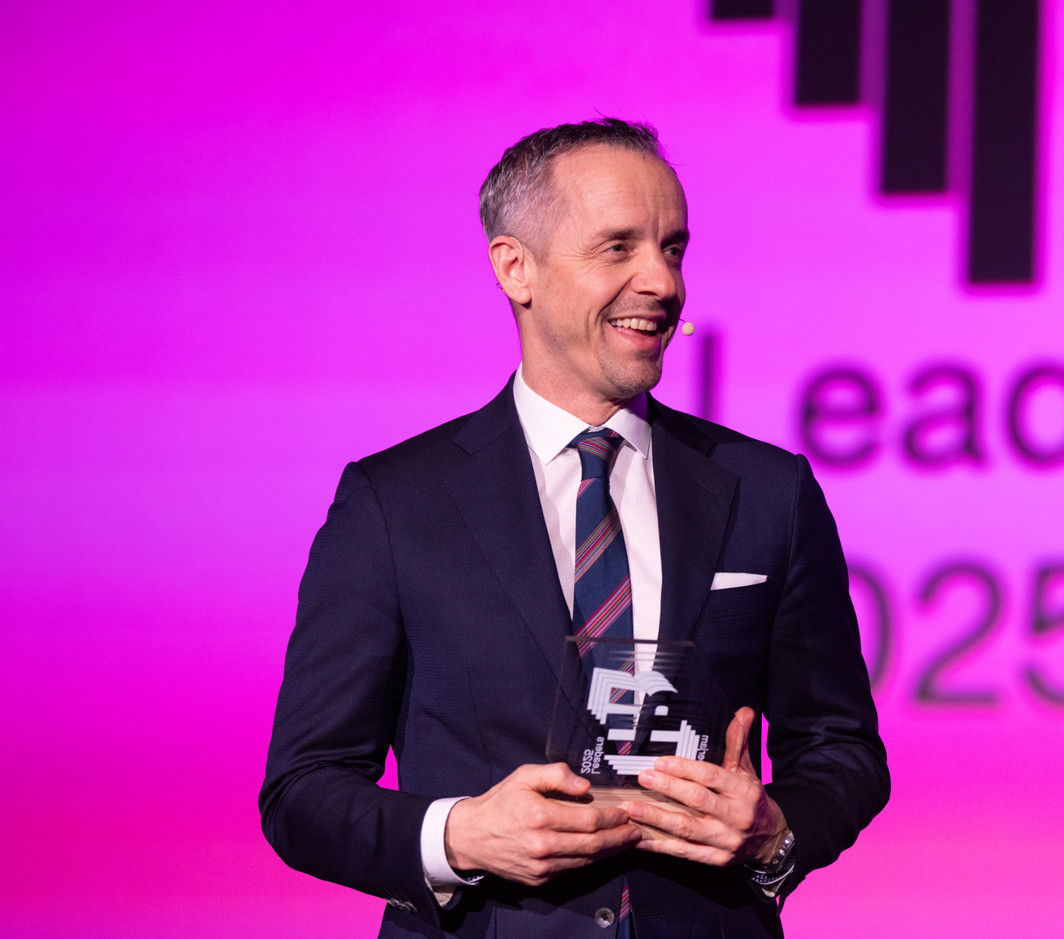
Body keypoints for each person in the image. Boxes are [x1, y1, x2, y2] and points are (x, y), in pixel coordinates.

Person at [260, 118, 888, 938]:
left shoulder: (771, 491)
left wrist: (774, 832)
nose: (661, 281)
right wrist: (458, 835)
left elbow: (843, 750)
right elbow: (303, 789)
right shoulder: (394, 503)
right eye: (618, 247)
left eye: (673, 248)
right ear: (514, 267)